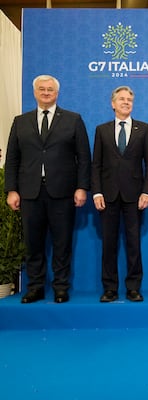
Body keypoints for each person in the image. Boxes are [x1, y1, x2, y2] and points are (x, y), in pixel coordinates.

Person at [4, 74, 91, 304]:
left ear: (57, 93)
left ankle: (61, 287)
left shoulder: (73, 120)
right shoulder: (20, 122)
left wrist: (82, 187)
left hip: (63, 192)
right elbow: (12, 159)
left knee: (62, 244)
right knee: (33, 244)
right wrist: (11, 190)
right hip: (29, 193)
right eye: (41, 89)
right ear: (34, 92)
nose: (45, 93)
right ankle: (35, 287)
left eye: (50, 90)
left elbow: (84, 158)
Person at [91, 86, 148, 303]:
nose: (126, 102)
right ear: (113, 103)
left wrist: (147, 192)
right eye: (121, 99)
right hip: (107, 196)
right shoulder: (102, 130)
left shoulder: (144, 129)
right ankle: (109, 288)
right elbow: (96, 165)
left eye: (129, 99)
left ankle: (133, 288)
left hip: (135, 196)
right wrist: (97, 192)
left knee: (133, 244)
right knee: (108, 244)